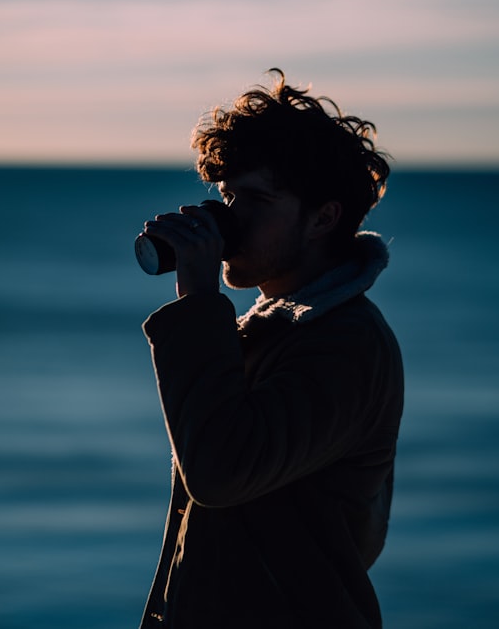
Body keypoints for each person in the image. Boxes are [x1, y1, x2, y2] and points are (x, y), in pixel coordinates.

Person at [138, 69, 404, 629]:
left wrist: (199, 301)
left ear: (323, 218)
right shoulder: (275, 327)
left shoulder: (346, 343)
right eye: (228, 196)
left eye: (256, 200)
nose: (231, 217)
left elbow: (219, 472)